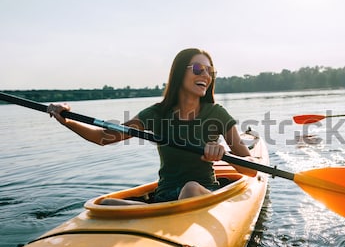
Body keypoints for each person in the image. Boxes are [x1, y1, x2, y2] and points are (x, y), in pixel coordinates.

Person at [47, 48, 256, 204]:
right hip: (164, 197)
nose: (206, 75)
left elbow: (251, 169)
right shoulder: (156, 114)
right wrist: (67, 119)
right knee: (105, 203)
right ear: (178, 73)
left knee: (190, 188)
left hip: (201, 193)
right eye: (199, 68)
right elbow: (103, 137)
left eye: (211, 72)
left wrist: (224, 153)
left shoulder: (216, 114)